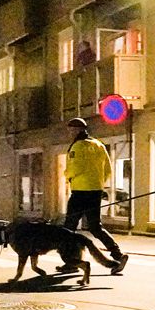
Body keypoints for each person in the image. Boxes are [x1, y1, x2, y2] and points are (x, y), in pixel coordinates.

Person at [62, 117, 128, 274]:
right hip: (95, 192)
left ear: (77, 130)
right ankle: (117, 254)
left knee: (68, 228)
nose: (69, 133)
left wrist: (67, 176)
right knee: (95, 226)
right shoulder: (99, 145)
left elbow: (75, 167)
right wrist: (98, 184)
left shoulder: (78, 146)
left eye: (70, 130)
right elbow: (108, 170)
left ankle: (72, 262)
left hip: (79, 192)